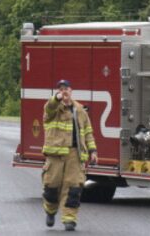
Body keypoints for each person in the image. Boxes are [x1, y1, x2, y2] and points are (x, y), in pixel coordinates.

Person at [42, 79, 98, 232]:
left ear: (71, 90)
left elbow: (87, 132)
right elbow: (49, 107)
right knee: (52, 187)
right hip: (55, 154)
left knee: (73, 187)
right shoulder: (53, 108)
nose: (64, 91)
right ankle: (50, 211)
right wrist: (56, 99)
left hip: (75, 154)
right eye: (60, 89)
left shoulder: (79, 110)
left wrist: (93, 151)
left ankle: (69, 219)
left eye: (66, 88)